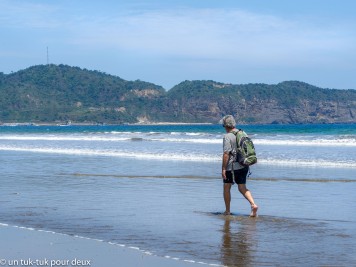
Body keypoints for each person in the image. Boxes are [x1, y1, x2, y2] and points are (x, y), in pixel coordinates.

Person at [220, 115, 258, 217]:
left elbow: (226, 153)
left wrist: (223, 168)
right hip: (244, 165)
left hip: (231, 167)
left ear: (225, 125)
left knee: (227, 187)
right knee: (242, 187)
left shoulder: (227, 136)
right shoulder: (242, 133)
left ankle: (227, 211)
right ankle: (253, 204)